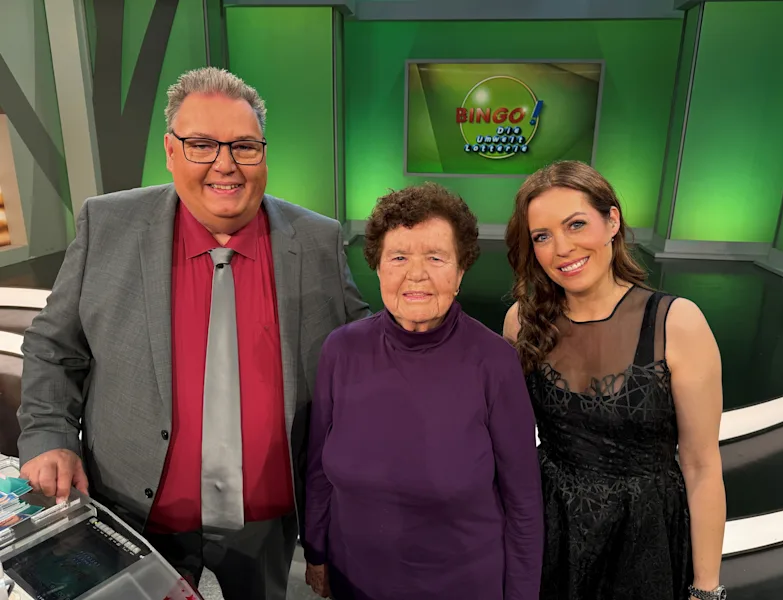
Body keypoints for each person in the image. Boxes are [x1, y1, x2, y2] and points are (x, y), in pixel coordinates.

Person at [16, 66, 370, 599]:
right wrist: (49, 438)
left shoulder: (317, 240)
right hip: (134, 513)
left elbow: (365, 356)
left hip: (267, 525)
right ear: (170, 150)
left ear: (263, 153)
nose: (225, 165)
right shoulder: (107, 225)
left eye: (244, 146)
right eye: (202, 144)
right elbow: (53, 347)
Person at [303, 183, 545, 600]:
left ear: (460, 271)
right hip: (354, 578)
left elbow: (523, 502)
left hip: (463, 585)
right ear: (378, 267)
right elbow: (318, 472)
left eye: (436, 257)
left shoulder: (495, 363)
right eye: (399, 257)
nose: (416, 274)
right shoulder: (340, 351)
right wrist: (315, 551)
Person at [503, 160, 727, 600]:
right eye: (542, 236)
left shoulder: (677, 323)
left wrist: (706, 590)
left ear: (612, 222)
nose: (561, 248)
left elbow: (701, 467)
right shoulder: (522, 323)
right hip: (551, 532)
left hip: (642, 541)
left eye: (576, 224)